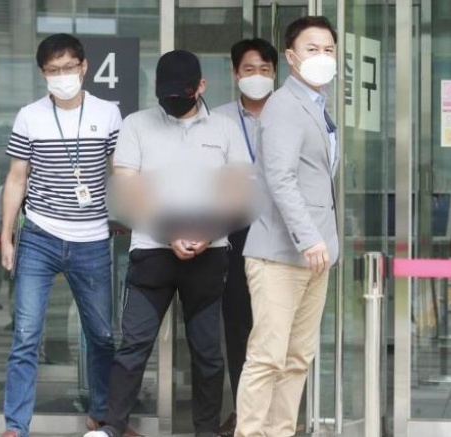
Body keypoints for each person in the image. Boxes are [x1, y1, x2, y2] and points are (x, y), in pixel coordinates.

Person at [84, 50, 251, 437]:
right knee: (134, 345)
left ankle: (205, 430)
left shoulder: (225, 129)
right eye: (167, 93)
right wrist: (168, 233)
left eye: (182, 92)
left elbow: (239, 191)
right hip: (152, 253)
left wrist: (208, 231)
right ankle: (113, 427)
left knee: (207, 352)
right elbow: (126, 187)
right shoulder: (136, 125)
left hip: (209, 255)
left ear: (201, 87)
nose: (173, 100)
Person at [0, 33, 123, 437]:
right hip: (40, 235)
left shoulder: (108, 114)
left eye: (69, 67)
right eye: (53, 70)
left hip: (92, 239)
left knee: (101, 335)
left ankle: (101, 414)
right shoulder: (29, 116)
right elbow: (16, 179)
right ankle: (16, 426)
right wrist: (6, 236)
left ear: (84, 67)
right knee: (26, 335)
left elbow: (121, 173)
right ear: (43, 74)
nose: (62, 75)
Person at [234, 16, 339, 437]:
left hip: (315, 255)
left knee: (297, 358)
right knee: (267, 357)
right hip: (281, 253)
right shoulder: (283, 105)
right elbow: (280, 178)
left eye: (329, 49)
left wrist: (320, 242)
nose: (322, 56)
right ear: (292, 57)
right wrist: (309, 237)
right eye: (312, 49)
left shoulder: (317, 106)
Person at [212, 37, 278, 437]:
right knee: (238, 323)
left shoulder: (289, 115)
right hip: (235, 228)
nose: (257, 76)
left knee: (276, 324)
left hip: (280, 228)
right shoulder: (218, 119)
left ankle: (277, 414)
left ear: (276, 73)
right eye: (249, 69)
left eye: (265, 70)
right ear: (235, 73)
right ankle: (243, 411)